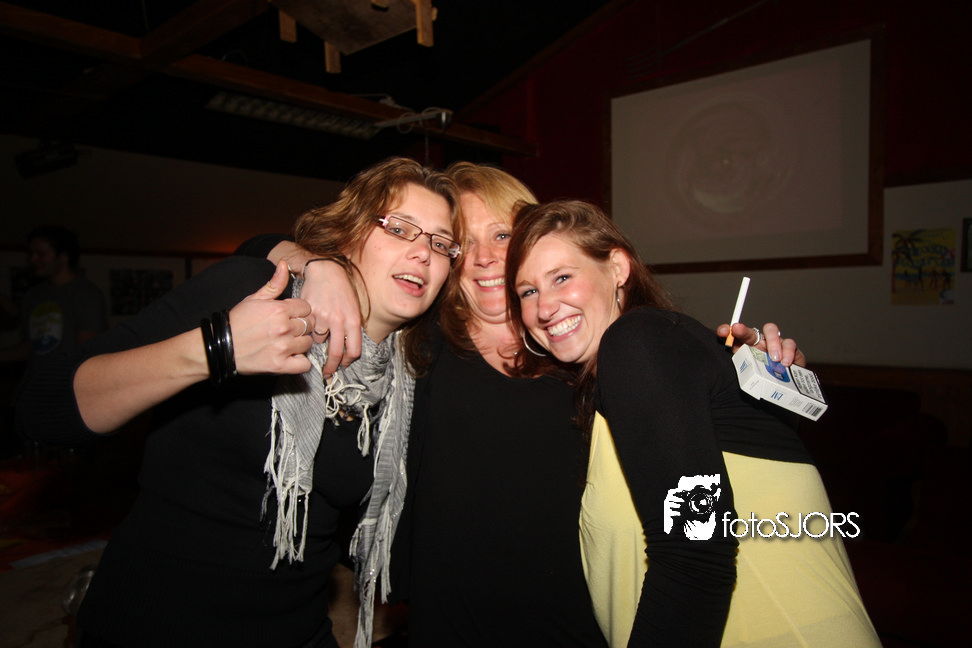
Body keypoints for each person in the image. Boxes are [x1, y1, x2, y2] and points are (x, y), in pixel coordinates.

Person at [261, 162, 800, 646]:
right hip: (446, 623)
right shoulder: (417, 344)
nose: (486, 257)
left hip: (578, 622)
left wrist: (763, 376)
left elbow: (695, 436)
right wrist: (316, 265)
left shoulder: (583, 348)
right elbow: (263, 248)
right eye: (464, 243)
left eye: (503, 235)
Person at [15, 157, 462, 648]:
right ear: (350, 232)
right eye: (399, 228)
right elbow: (43, 405)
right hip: (152, 623)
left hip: (297, 629)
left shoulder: (410, 371)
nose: (422, 252)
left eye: (440, 243)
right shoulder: (255, 292)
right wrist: (218, 348)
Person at [506, 199, 880, 648]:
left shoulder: (638, 343)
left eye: (562, 278)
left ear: (618, 268)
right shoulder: (627, 376)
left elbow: (696, 550)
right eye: (527, 292)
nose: (545, 306)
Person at [0, 225, 107, 371]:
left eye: (40, 253)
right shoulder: (33, 295)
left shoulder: (85, 294)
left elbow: (87, 349)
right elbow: (30, 347)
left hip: (65, 381)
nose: (33, 259)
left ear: (64, 256)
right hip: (34, 380)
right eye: (30, 253)